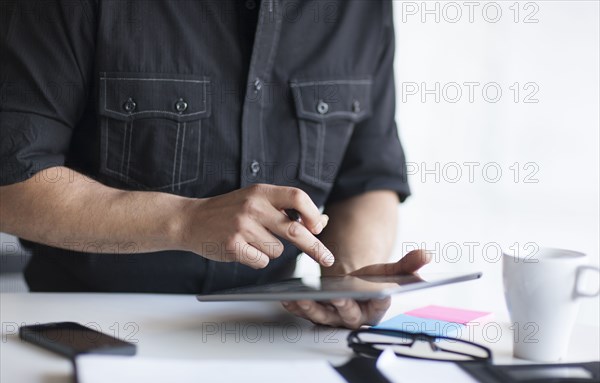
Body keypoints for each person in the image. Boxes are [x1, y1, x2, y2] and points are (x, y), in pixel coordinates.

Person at [0, 0, 429, 328]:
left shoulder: (362, 9)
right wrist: (186, 220)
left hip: (277, 330)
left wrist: (348, 279)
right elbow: (12, 180)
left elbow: (367, 176)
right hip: (93, 327)